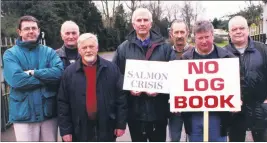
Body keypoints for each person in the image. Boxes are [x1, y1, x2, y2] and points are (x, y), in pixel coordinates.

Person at [112, 7, 176, 142]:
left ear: (151, 24)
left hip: (158, 111)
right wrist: (129, 86)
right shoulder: (123, 48)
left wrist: (160, 88)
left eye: (145, 20)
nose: (142, 23)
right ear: (133, 24)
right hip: (135, 111)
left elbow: (174, 75)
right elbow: (115, 76)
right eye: (138, 20)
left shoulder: (165, 48)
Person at [3, 15, 63, 141]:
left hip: (48, 114)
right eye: (26, 28)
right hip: (24, 115)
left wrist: (34, 73)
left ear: (38, 30)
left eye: (34, 28)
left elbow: (58, 73)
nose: (31, 31)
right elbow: (17, 80)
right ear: (19, 32)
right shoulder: (10, 54)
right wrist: (46, 78)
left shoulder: (49, 52)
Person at [58, 33, 127, 142]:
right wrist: (65, 130)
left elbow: (121, 98)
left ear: (97, 48)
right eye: (84, 47)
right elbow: (63, 102)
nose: (88, 50)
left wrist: (121, 124)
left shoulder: (112, 69)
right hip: (79, 129)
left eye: (91, 47)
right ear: (79, 50)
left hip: (107, 126)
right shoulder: (69, 73)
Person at [181, 20, 234, 142]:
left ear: (212, 35)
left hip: (219, 116)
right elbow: (179, 85)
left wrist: (237, 98)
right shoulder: (185, 59)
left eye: (207, 37)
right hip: (193, 116)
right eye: (200, 38)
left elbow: (237, 82)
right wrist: (175, 99)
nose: (204, 41)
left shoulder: (227, 57)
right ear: (194, 38)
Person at [224, 15, 267, 142]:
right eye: (234, 29)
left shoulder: (263, 50)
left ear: (248, 30)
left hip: (260, 108)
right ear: (229, 33)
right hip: (234, 112)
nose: (238, 31)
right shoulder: (223, 54)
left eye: (241, 28)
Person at [168, 19, 192, 141]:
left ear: (187, 32)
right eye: (176, 32)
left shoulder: (196, 52)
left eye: (182, 32)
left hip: (193, 106)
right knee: (175, 138)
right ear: (171, 34)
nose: (179, 36)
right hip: (174, 108)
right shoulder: (166, 53)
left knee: (193, 137)